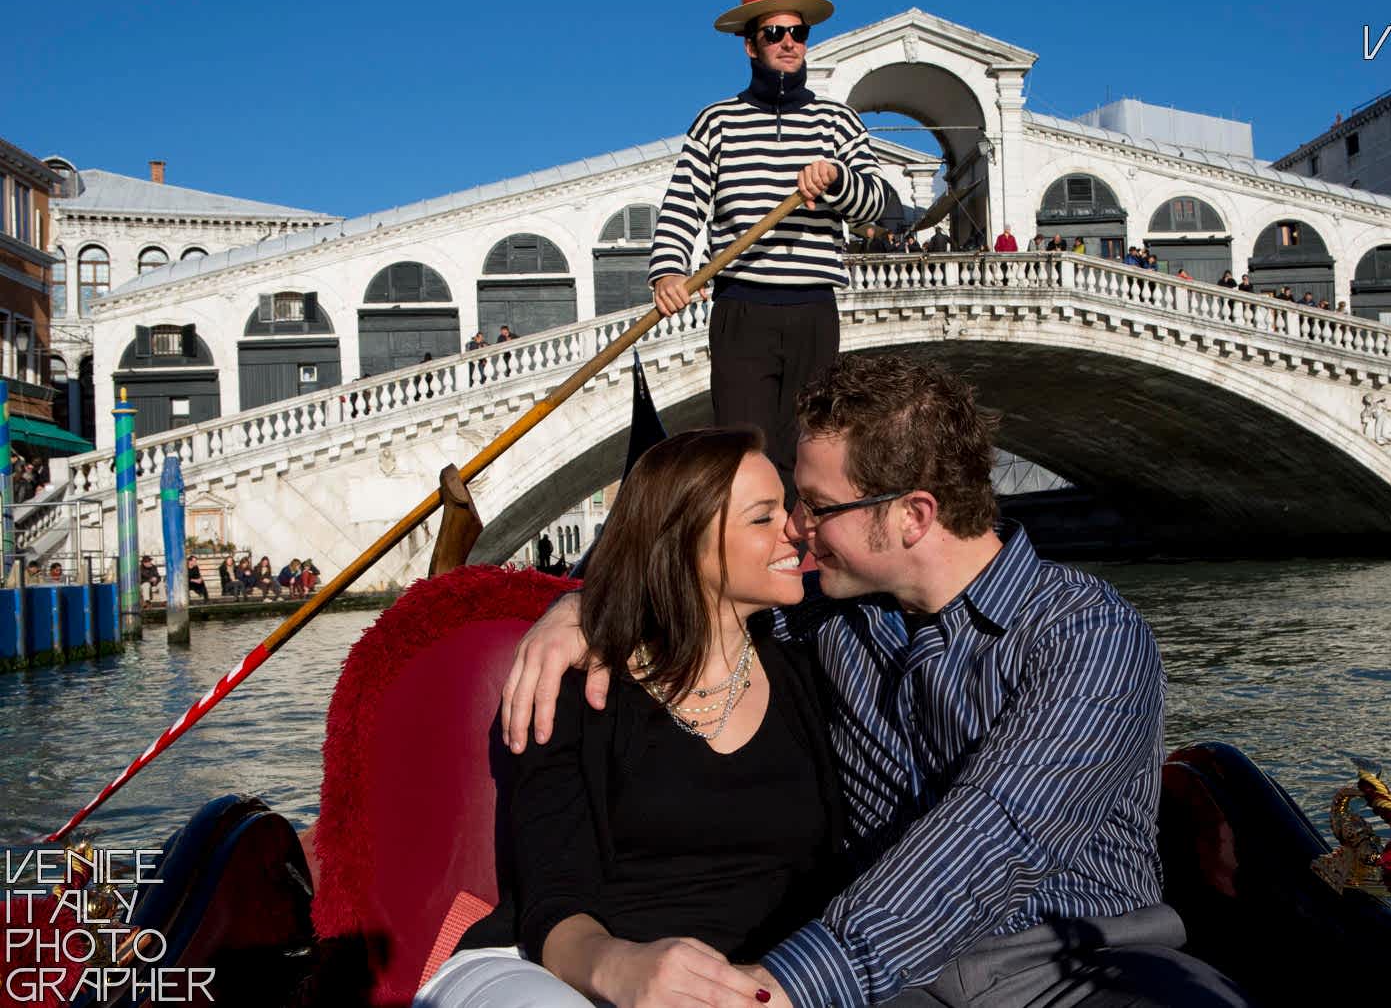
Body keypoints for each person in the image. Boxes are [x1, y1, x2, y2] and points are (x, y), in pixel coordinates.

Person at [500, 355, 1251, 1008]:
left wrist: (786, 987)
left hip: (1077, 964)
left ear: (913, 516)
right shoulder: (826, 615)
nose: (797, 528)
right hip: (903, 987)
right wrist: (588, 608)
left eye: (818, 508)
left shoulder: (1089, 636)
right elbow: (687, 579)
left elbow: (996, 835)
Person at [419, 428, 838, 1008]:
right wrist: (627, 971)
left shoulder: (815, 666)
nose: (796, 528)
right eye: (763, 518)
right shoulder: (576, 686)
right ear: (687, 541)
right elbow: (552, 899)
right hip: (552, 967)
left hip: (750, 985)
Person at [647, 0, 888, 506]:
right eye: (774, 32)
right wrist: (668, 272)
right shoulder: (716, 122)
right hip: (741, 307)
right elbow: (684, 204)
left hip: (812, 308)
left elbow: (876, 204)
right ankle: (747, 567)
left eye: (797, 32)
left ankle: (799, 565)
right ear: (751, 44)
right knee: (741, 453)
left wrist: (838, 180)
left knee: (811, 446)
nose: (788, 42)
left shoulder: (838, 122)